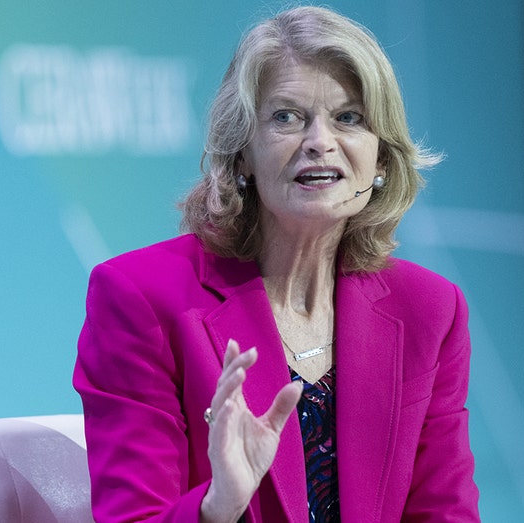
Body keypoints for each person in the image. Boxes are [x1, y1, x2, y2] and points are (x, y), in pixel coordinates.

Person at [74, 6, 480, 522]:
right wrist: (217, 506)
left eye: (348, 118)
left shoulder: (429, 310)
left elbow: (444, 512)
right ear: (241, 151)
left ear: (381, 157)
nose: (319, 141)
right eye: (286, 117)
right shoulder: (143, 298)